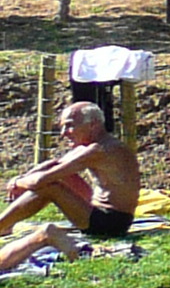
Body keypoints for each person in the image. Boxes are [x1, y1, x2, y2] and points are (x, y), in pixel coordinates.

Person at [2, 101, 140, 240]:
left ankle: (2, 226)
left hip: (111, 223)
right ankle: (6, 225)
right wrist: (24, 178)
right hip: (98, 210)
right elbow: (53, 165)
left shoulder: (101, 150)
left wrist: (16, 182)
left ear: (92, 125)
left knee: (51, 187)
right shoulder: (89, 146)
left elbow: (39, 181)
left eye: (69, 126)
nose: (63, 134)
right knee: (61, 175)